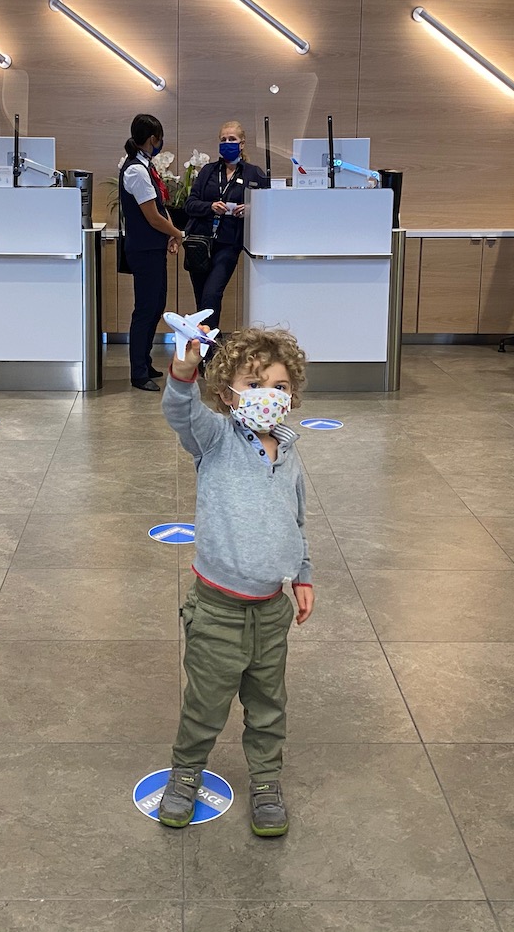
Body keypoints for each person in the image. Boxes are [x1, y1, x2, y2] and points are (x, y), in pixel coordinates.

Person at [157, 324, 314, 838]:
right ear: (227, 394)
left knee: (268, 703)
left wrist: (302, 575)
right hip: (217, 608)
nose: (268, 396)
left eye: (279, 386)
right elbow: (180, 412)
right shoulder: (216, 439)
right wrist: (184, 370)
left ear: (292, 394)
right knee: (205, 702)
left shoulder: (289, 455)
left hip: (271, 610)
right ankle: (185, 774)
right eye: (253, 384)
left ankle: (266, 782)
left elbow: (295, 520)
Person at [184, 121, 270, 332]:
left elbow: (268, 205)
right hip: (201, 244)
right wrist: (210, 206)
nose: (227, 143)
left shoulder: (253, 173)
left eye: (232, 139)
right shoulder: (208, 172)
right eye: (223, 140)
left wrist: (249, 209)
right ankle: (206, 350)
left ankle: (210, 353)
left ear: (242, 144)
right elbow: (190, 204)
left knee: (212, 294)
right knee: (202, 300)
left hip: (229, 244)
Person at [119, 113, 183, 391]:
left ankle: (145, 362)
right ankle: (138, 372)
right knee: (145, 309)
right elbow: (152, 216)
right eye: (160, 138)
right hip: (143, 249)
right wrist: (177, 233)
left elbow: (161, 209)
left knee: (156, 305)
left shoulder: (146, 166)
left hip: (153, 247)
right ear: (152, 139)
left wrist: (170, 235)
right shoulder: (135, 170)